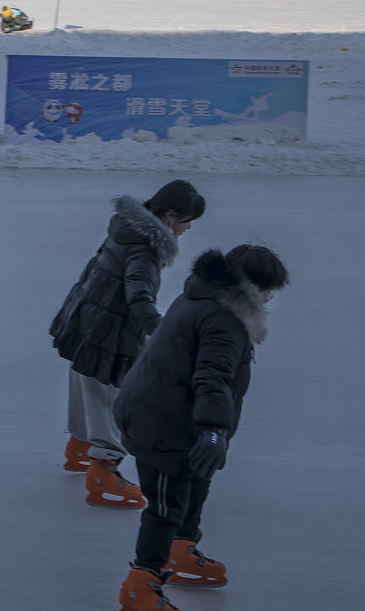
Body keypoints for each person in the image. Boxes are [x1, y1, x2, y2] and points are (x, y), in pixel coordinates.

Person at [113, 245, 289, 610]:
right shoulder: (224, 318)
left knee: (195, 483)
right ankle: (140, 585)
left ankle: (181, 550)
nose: (270, 298)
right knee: (166, 504)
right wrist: (213, 429)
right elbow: (213, 376)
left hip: (172, 413)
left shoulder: (204, 295)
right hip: (158, 422)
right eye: (267, 290)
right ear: (250, 287)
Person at [50, 181, 206, 510]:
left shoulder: (126, 225)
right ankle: (103, 472)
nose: (187, 229)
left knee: (84, 384)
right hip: (108, 330)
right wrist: (163, 334)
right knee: (108, 396)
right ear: (169, 216)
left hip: (84, 317)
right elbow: (139, 296)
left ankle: (79, 448)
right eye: (186, 222)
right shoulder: (146, 249)